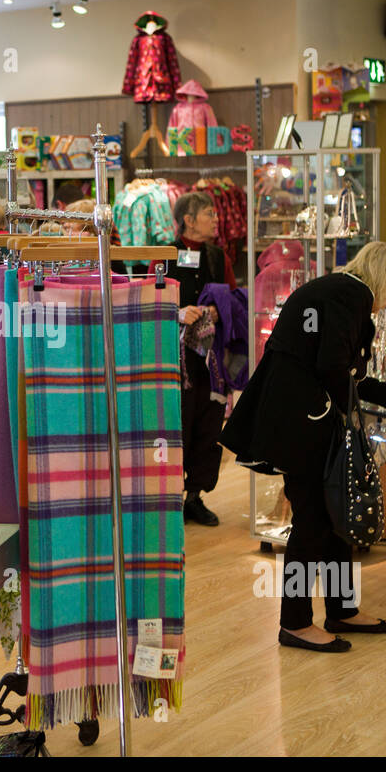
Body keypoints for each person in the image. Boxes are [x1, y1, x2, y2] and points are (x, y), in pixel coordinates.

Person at [221, 242, 386, 652]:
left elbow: (342, 373)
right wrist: (352, 420)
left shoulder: (337, 291)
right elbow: (335, 370)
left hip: (297, 420)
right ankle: (295, 623)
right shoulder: (349, 297)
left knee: (332, 521)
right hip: (301, 427)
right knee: (313, 522)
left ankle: (342, 609)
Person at [170, 191, 226, 526]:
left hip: (211, 360)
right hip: (174, 358)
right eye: (209, 213)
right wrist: (176, 312)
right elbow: (149, 298)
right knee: (177, 423)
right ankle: (171, 496)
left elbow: (232, 296)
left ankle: (195, 496)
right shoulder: (163, 254)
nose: (216, 219)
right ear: (189, 220)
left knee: (209, 423)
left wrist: (221, 311)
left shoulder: (219, 256)